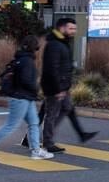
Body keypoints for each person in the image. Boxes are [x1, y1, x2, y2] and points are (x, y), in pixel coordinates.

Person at [21, 17, 97, 154]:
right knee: (52, 113)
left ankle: (32, 138)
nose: (74, 31)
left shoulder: (61, 42)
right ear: (62, 28)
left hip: (62, 86)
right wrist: (58, 89)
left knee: (64, 108)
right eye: (71, 28)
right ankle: (48, 142)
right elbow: (51, 69)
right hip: (55, 87)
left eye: (74, 28)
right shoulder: (55, 45)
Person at [0, 35, 53, 162]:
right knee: (11, 126)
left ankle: (36, 151)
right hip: (21, 98)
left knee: (34, 123)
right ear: (34, 47)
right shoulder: (27, 61)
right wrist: (36, 88)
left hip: (25, 97)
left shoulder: (19, 58)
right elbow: (26, 80)